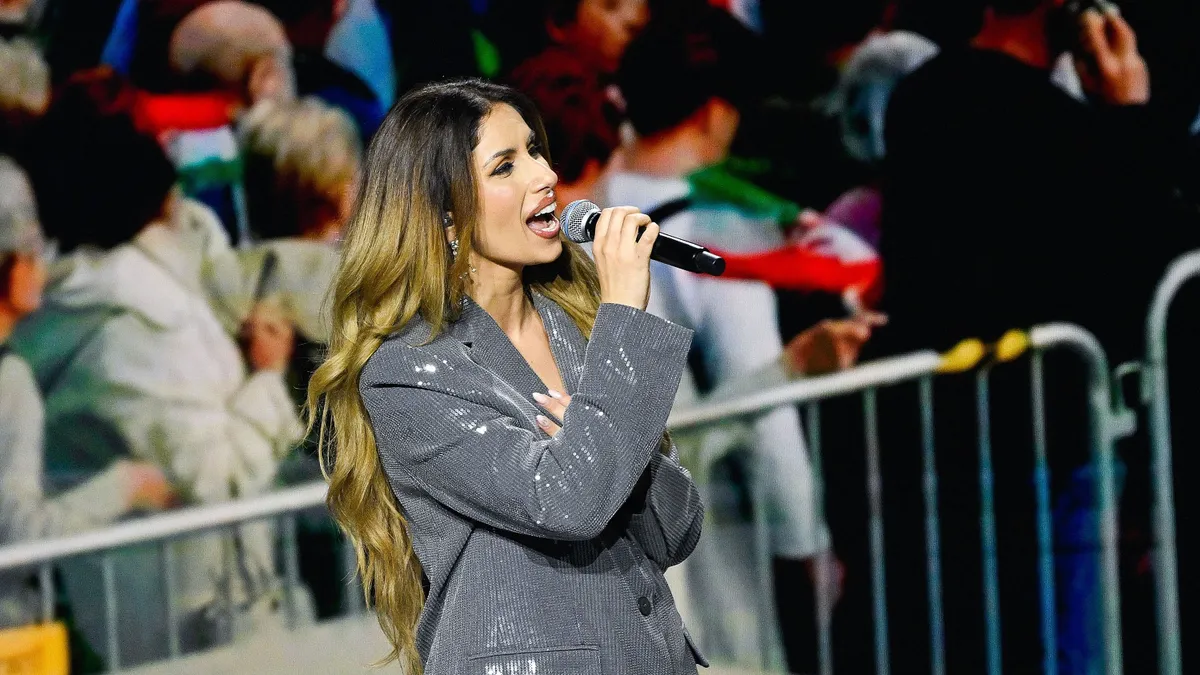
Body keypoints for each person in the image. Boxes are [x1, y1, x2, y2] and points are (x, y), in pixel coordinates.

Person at [307, 78, 707, 674]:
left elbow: (675, 531)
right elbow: (569, 502)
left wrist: (608, 438)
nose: (545, 176)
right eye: (505, 166)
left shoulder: (577, 322)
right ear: (444, 215)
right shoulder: (409, 371)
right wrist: (624, 319)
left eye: (535, 151)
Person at [874, 1, 1198, 671]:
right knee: (1068, 645)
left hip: (946, 432)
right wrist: (1129, 113)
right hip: (1058, 433)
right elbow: (1139, 255)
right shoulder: (1061, 125)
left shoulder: (919, 97)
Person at [606, 11, 878, 673]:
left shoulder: (584, 202)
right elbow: (764, 404)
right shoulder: (716, 229)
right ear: (715, 112)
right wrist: (807, 545)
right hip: (717, 537)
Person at [11, 69, 308, 667]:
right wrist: (266, 378)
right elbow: (217, 477)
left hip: (141, 624)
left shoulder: (81, 306)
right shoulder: (144, 326)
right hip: (201, 631)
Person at [0, 155, 175, 629]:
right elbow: (21, 537)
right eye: (35, 251)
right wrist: (124, 486)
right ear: (14, 271)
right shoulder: (10, 383)